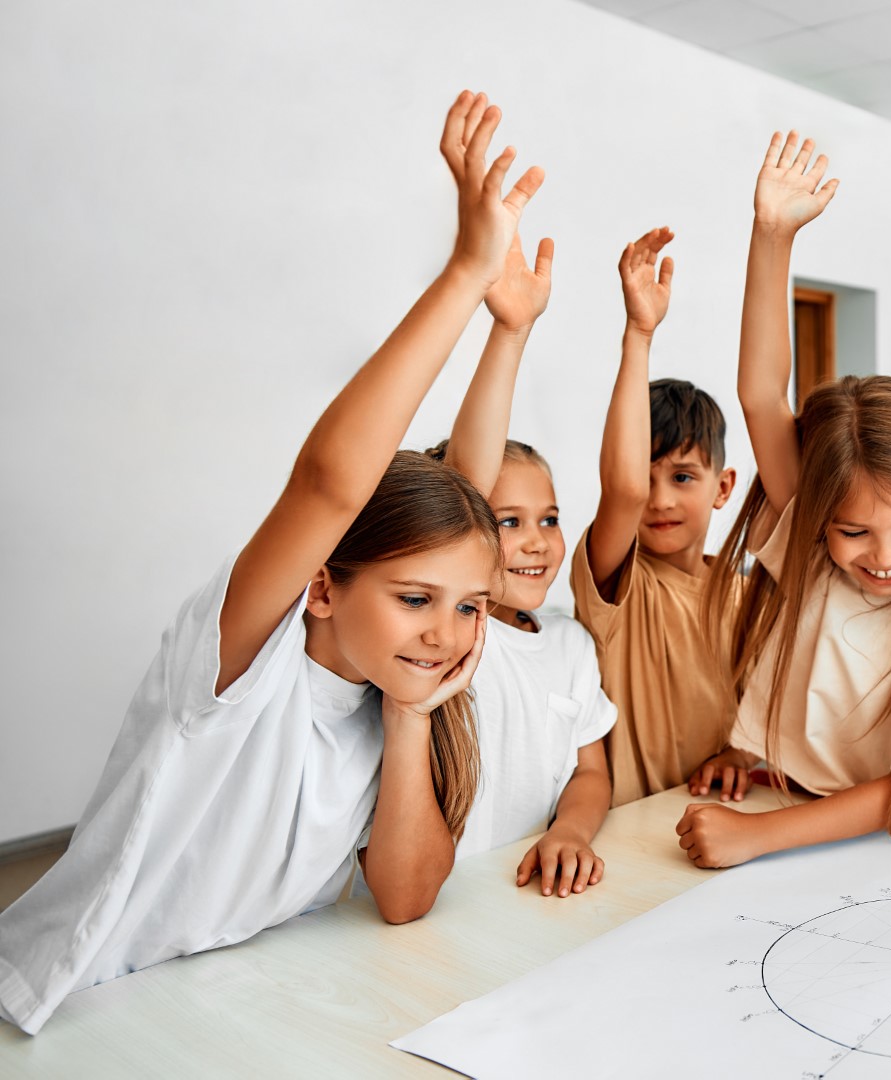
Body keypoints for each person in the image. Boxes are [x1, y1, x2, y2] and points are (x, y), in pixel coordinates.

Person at [0, 90, 543, 1033]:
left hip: (203, 1007)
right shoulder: (240, 667)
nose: (449, 633)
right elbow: (334, 484)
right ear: (322, 586)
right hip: (63, 1010)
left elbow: (408, 897)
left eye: (468, 609)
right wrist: (466, 274)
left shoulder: (392, 697)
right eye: (418, 599)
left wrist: (414, 716)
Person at [675, 132, 891, 869]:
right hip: (787, 812)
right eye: (853, 530)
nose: (886, 555)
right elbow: (762, 394)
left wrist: (755, 837)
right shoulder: (804, 536)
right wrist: (770, 237)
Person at [425, 225, 616, 899]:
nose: (537, 541)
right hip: (441, 905)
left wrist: (570, 833)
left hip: (529, 900)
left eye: (550, 519)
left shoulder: (570, 642)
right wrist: (510, 333)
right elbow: (457, 499)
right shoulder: (449, 640)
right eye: (508, 522)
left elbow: (590, 773)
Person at [574, 227, 740, 806]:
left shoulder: (744, 593)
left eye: (682, 477)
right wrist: (639, 334)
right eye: (646, 478)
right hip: (623, 835)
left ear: (723, 488)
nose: (660, 499)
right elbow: (620, 491)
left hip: (722, 824)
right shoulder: (619, 582)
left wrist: (739, 753)